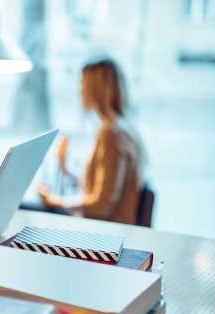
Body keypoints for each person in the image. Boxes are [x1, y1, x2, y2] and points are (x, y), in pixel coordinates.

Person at [36, 57, 144, 224]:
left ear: (96, 89)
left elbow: (102, 205)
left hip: (107, 233)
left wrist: (53, 200)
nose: (80, 91)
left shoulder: (111, 135)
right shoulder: (122, 129)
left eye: (83, 84)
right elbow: (105, 186)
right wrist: (66, 169)